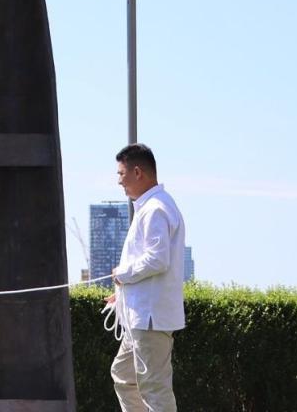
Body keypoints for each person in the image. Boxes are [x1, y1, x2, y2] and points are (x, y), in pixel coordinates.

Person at [107, 143, 186, 412]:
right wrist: (121, 294)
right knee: (124, 376)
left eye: (121, 174)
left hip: (149, 319)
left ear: (138, 172)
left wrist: (122, 275)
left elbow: (157, 258)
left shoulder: (154, 209)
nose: (119, 181)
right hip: (140, 317)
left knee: (154, 389)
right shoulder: (152, 206)